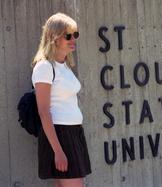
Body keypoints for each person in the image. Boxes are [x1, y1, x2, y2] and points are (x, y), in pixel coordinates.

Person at [31, 13, 91, 187]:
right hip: (59, 135)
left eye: (75, 35)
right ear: (54, 38)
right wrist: (58, 151)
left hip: (73, 133)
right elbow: (43, 111)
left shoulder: (64, 66)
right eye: (68, 36)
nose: (73, 39)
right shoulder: (45, 67)